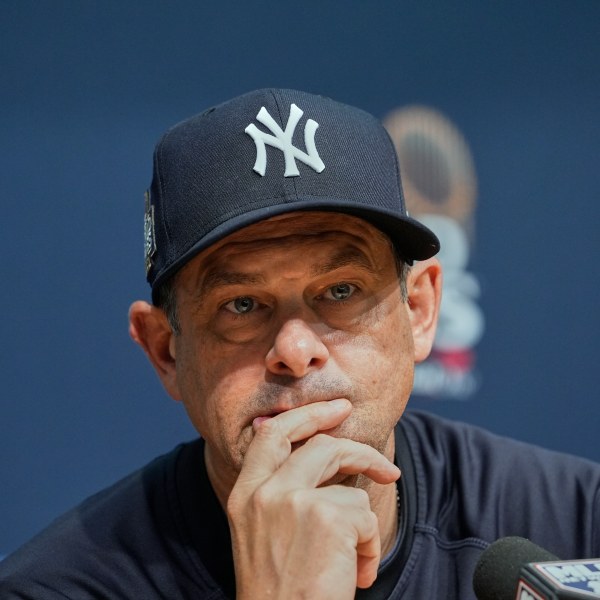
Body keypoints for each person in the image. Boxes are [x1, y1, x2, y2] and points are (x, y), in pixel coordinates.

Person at [1, 88, 599, 599]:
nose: (295, 348)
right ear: (167, 352)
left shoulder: (576, 523)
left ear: (418, 310)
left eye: (340, 290)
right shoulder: (60, 588)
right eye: (241, 304)